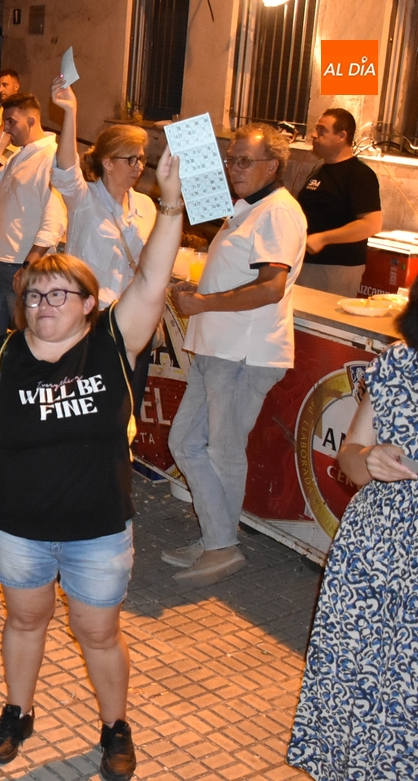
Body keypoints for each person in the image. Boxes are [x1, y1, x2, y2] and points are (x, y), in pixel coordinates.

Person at [0, 148, 181, 779]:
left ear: (89, 303)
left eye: (61, 294)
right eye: (34, 295)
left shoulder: (113, 343)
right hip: (18, 526)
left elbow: (152, 281)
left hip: (98, 527)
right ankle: (18, 712)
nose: (44, 304)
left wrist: (170, 207)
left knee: (98, 631)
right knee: (25, 620)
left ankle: (115, 727)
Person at [164, 123, 307, 586]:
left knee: (222, 450)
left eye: (244, 160)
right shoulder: (248, 207)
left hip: (245, 351)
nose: (233, 168)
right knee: (185, 443)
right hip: (218, 348)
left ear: (273, 165)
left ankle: (222, 547)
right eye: (231, 159)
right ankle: (215, 537)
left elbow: (270, 287)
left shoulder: (278, 212)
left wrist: (203, 302)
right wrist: (199, 291)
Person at [286, 285, 418, 779]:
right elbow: (350, 459)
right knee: (359, 681)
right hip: (373, 553)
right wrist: (371, 459)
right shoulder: (400, 362)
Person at [50, 80, 155, 306]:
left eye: (141, 159)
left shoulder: (146, 206)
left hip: (128, 313)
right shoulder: (84, 199)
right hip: (88, 311)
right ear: (108, 163)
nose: (139, 167)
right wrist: (70, 112)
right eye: (131, 159)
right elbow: (66, 171)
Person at [0, 94, 67, 341]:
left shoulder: (51, 157)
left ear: (31, 120)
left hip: (18, 262)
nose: (6, 128)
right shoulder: (20, 154)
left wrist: (30, 264)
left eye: (11, 122)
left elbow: (54, 218)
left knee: (26, 335)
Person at [295, 107, 383, 297]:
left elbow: (372, 224)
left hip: (335, 268)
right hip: (306, 262)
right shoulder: (320, 168)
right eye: (316, 129)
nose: (314, 135)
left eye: (322, 130)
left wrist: (323, 238)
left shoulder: (359, 175)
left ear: (341, 136)